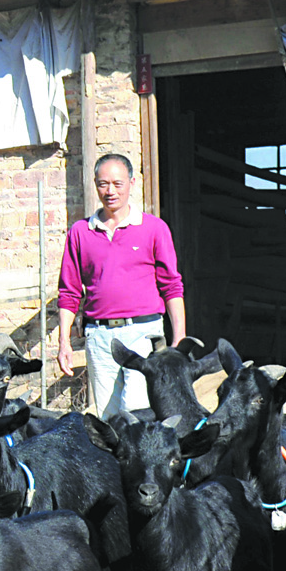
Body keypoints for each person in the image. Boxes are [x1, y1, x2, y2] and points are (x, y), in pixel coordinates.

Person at [54, 152, 185, 417]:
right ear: (95, 184)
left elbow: (171, 285)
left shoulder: (154, 229)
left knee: (135, 413)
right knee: (109, 420)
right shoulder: (80, 232)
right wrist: (64, 342)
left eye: (118, 183)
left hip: (143, 334)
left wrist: (179, 337)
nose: (110, 191)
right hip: (99, 337)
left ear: (132, 183)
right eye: (103, 184)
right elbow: (69, 292)